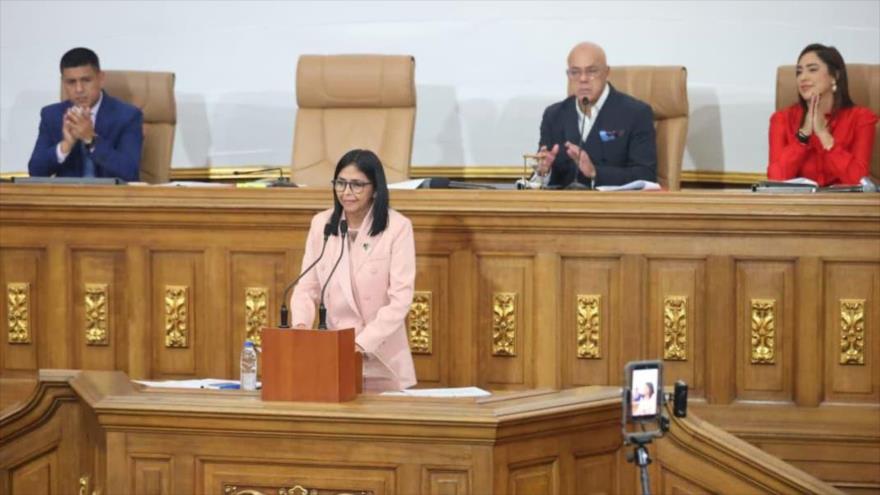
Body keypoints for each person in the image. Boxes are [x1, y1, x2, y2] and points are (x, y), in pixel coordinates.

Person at [290, 149, 417, 392]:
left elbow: (400, 299)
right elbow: (307, 287)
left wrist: (361, 344)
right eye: (341, 183)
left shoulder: (397, 228)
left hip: (379, 354)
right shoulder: (322, 224)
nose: (346, 192)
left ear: (375, 188)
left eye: (357, 185)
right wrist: (301, 328)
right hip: (333, 355)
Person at [534, 41, 657, 188]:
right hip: (564, 207)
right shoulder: (554, 115)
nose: (583, 79)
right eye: (575, 72)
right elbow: (544, 177)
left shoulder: (636, 113)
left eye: (592, 71)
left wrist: (595, 172)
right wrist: (543, 172)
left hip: (615, 206)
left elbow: (646, 174)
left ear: (607, 72)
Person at [767, 43, 878, 186]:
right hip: (799, 205)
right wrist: (803, 137)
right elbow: (775, 179)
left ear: (835, 76)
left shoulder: (861, 119)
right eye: (799, 72)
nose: (803, 78)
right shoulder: (781, 119)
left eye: (812, 70)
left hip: (844, 206)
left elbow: (859, 181)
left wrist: (824, 135)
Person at [28, 47, 143, 181]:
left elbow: (130, 172)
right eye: (71, 82)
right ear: (63, 83)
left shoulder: (127, 116)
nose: (79, 89)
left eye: (86, 80)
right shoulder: (52, 115)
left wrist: (91, 140)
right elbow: (35, 171)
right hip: (66, 199)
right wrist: (65, 145)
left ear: (101, 78)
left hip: (111, 199)